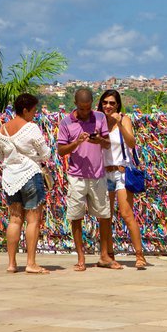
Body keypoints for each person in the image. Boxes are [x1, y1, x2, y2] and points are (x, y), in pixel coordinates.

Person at [56, 88, 121, 271]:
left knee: (104, 215)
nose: (85, 112)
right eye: (82, 108)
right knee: (76, 216)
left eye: (88, 108)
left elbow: (107, 143)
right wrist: (76, 143)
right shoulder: (66, 122)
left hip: (97, 175)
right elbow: (61, 151)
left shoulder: (99, 117)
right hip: (76, 176)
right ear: (75, 104)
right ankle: (81, 257)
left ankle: (104, 255)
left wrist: (99, 140)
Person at [0, 93, 51, 274]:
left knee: (14, 219)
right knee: (33, 220)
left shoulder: (1, 131)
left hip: (10, 178)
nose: (35, 114)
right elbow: (45, 154)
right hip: (30, 175)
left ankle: (11, 264)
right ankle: (31, 263)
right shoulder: (31, 128)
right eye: (33, 111)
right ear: (25, 110)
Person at [99, 89, 148, 269]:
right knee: (105, 217)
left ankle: (139, 255)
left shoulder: (124, 119)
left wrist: (119, 124)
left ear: (118, 104)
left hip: (121, 172)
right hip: (104, 173)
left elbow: (132, 143)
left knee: (127, 214)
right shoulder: (99, 121)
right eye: (105, 102)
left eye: (112, 103)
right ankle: (108, 254)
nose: (108, 106)